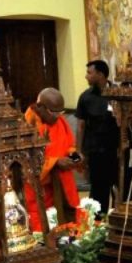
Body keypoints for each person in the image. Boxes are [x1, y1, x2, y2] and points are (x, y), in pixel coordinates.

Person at [23, 88, 81, 231]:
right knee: (41, 227)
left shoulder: (60, 121)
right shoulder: (26, 126)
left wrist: (74, 156)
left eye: (60, 113)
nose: (57, 117)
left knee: (68, 223)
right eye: (53, 113)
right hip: (37, 190)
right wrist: (55, 162)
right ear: (40, 106)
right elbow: (26, 162)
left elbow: (69, 145)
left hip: (60, 185)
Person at [75, 59, 121, 215]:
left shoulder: (118, 94)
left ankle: (119, 222)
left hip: (116, 151)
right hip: (95, 153)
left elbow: (130, 120)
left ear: (100, 74)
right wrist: (78, 153)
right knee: (98, 191)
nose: (86, 76)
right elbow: (80, 126)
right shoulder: (85, 97)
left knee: (120, 188)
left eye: (89, 73)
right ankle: (98, 226)